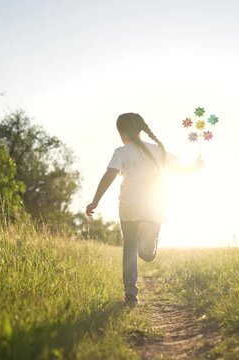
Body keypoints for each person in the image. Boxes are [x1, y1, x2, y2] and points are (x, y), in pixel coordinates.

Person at [86, 112, 201, 306]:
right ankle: (148, 243)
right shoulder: (157, 150)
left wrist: (95, 201)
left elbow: (109, 175)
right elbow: (179, 168)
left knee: (129, 249)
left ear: (123, 131)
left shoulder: (121, 152)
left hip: (129, 206)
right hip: (153, 206)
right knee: (146, 254)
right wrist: (196, 167)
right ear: (140, 130)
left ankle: (131, 294)